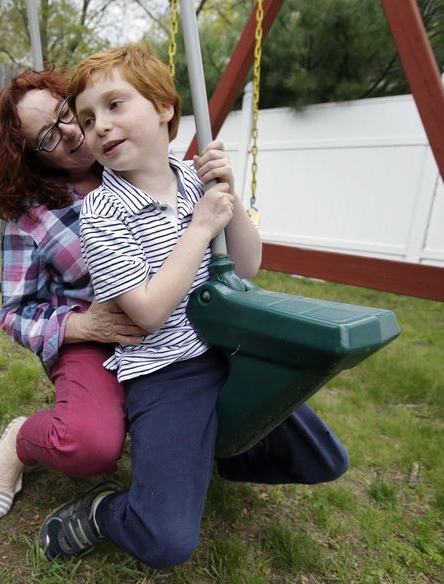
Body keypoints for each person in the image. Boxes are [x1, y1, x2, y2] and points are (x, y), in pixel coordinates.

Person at [37, 45, 349, 569]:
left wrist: (225, 198)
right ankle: (105, 512)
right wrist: (202, 226)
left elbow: (246, 266)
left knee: (323, 459)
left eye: (116, 105)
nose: (101, 127)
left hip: (229, 348)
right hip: (166, 370)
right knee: (166, 543)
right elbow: (147, 311)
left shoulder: (192, 180)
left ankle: (207, 456)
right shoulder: (101, 212)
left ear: (163, 107)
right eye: (89, 119)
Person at [0, 69, 231, 519]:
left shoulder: (141, 161)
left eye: (66, 113)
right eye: (48, 136)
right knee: (89, 445)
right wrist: (82, 325)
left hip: (169, 324)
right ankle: (22, 439)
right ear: (31, 159)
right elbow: (14, 313)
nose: (71, 133)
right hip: (96, 334)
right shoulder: (30, 221)